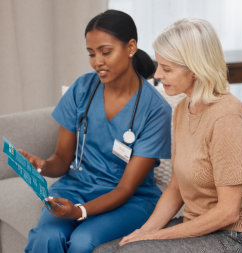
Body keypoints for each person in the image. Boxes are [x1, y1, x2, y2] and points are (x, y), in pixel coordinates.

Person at [94, 18, 242, 253]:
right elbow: (176, 188)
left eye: (167, 68)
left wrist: (157, 236)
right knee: (104, 250)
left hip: (239, 236)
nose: (158, 74)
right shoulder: (183, 109)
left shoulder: (227, 118)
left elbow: (228, 212)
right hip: (198, 224)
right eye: (159, 65)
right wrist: (144, 232)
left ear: (195, 69)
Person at [22, 9, 172, 253]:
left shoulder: (155, 110)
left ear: (131, 47)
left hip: (129, 200)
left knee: (83, 242)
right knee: (46, 238)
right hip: (76, 189)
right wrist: (42, 166)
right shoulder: (82, 88)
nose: (97, 62)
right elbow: (61, 160)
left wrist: (79, 211)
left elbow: (125, 189)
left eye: (105, 52)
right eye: (91, 54)